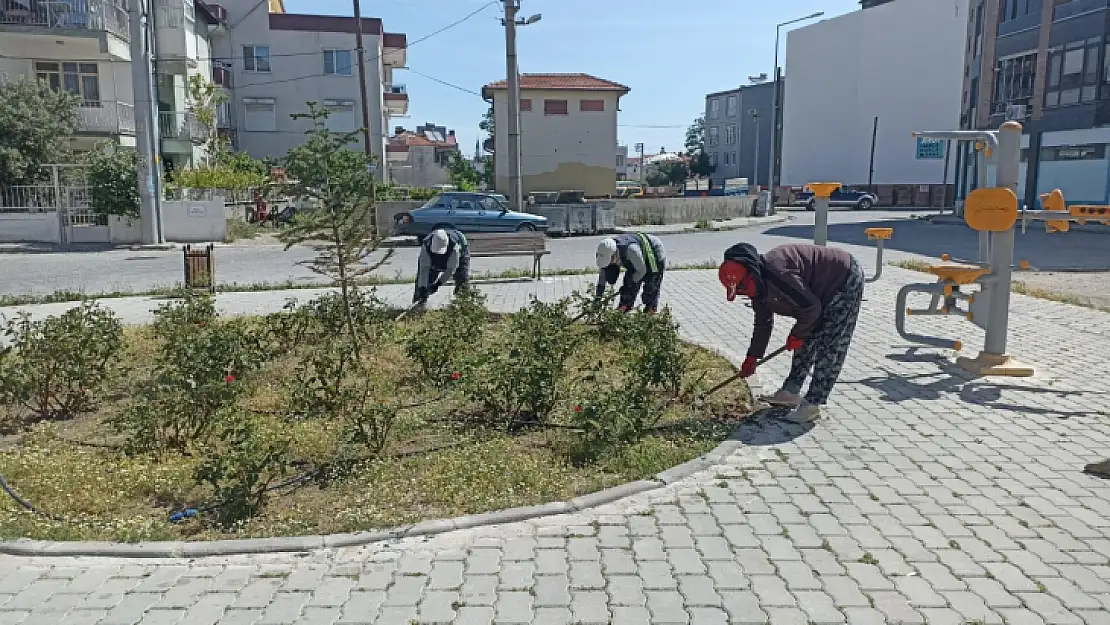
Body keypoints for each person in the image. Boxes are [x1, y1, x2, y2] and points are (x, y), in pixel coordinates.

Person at [717, 242, 865, 423]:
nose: (744, 293)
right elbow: (763, 324)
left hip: (844, 280)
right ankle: (790, 391)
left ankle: (813, 405)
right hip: (817, 295)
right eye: (739, 291)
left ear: (752, 273)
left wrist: (796, 334)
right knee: (807, 337)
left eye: (743, 287)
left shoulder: (779, 272)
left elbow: (811, 308)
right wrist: (752, 357)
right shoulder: (758, 289)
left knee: (830, 346)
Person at [595, 232, 667, 313]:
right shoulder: (604, 254)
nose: (610, 264)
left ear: (615, 254)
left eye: (611, 262)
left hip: (654, 255)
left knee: (650, 290)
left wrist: (629, 287)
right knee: (627, 286)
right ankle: (623, 309)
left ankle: (650, 312)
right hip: (637, 260)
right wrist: (598, 298)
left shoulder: (631, 250)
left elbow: (641, 271)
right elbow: (602, 279)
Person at [413, 228, 470, 306]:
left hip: (461, 256)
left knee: (462, 280)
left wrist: (438, 284)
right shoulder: (426, 245)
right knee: (421, 285)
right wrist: (422, 287)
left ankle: (464, 305)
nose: (438, 255)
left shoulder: (454, 248)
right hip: (432, 261)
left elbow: (450, 270)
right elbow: (424, 269)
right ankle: (418, 306)